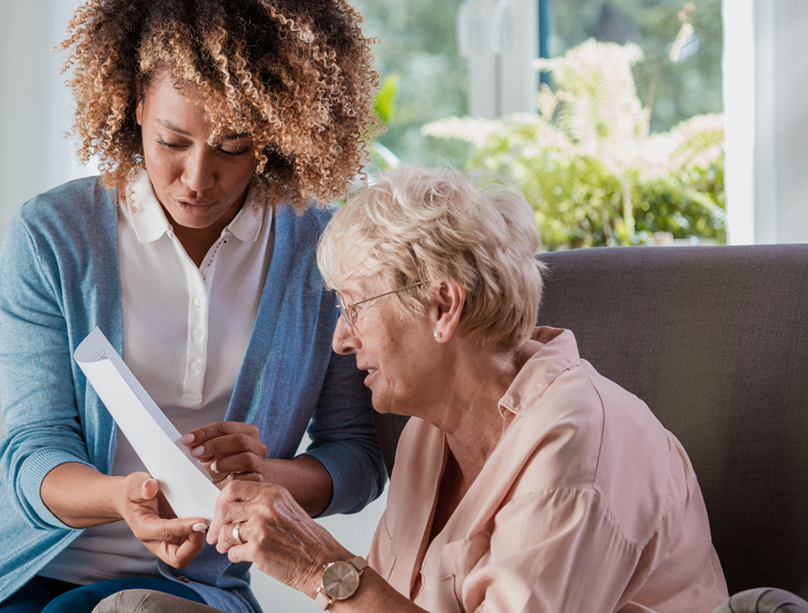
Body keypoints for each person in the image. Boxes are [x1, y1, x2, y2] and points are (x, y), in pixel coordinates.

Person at [0, 0, 387, 613]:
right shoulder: (52, 237)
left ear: (275, 134)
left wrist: (264, 478)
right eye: (173, 140)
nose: (198, 178)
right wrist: (123, 498)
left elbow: (357, 457)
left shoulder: (321, 250)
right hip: (20, 574)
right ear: (135, 103)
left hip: (193, 587)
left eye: (233, 147)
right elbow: (33, 451)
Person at [97, 167, 729, 613]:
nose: (341, 341)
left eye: (354, 306)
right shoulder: (428, 435)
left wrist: (321, 567)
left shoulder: (577, 449)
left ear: (443, 307)